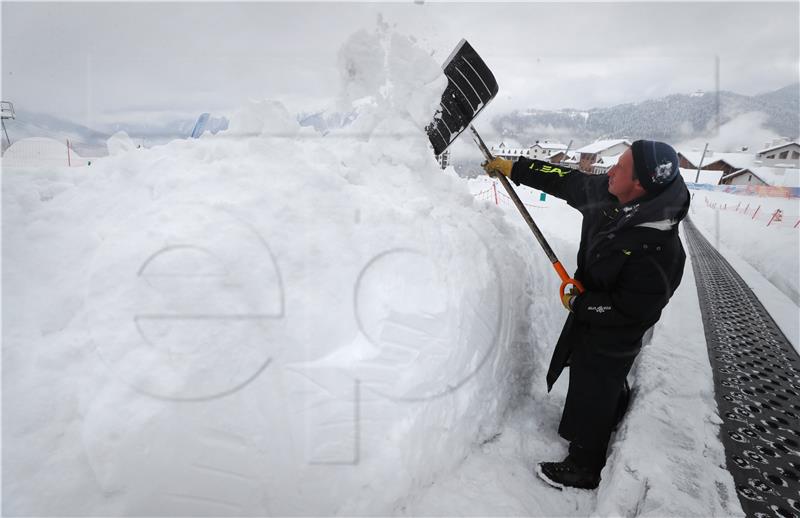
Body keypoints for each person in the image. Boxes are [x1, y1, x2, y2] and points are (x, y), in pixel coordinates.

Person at [483, 140, 690, 490]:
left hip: (619, 327)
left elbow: (632, 309)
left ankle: (585, 464)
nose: (609, 171)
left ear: (639, 184)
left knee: (595, 382)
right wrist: (514, 169)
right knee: (587, 368)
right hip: (593, 303)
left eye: (620, 168)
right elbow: (564, 180)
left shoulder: (661, 250)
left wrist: (584, 304)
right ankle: (615, 404)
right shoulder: (610, 195)